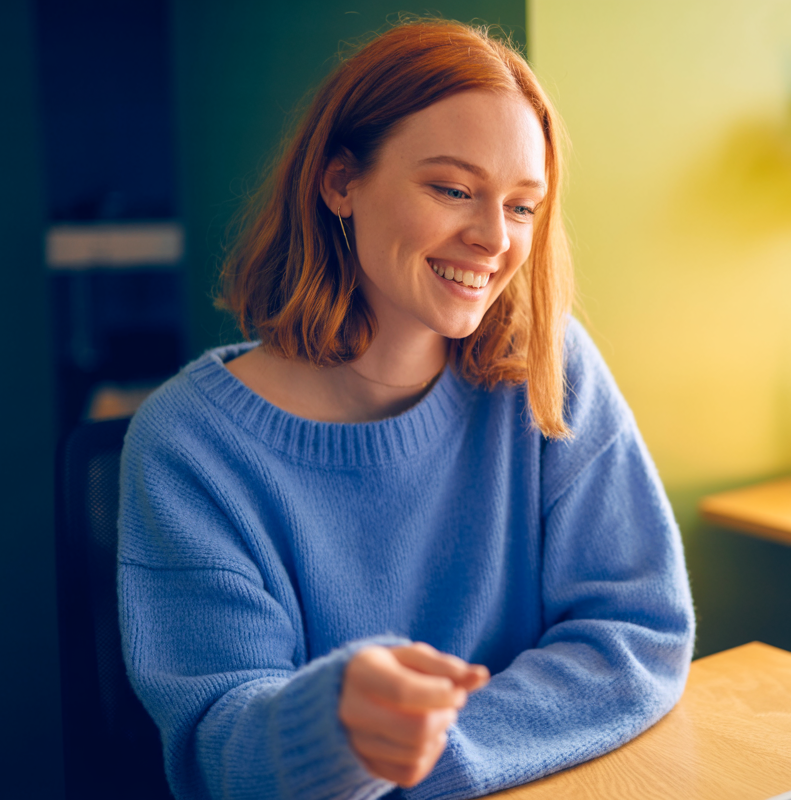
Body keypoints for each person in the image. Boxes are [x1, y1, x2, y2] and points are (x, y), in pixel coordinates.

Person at [117, 18, 695, 800]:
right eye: (453, 190)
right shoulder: (189, 445)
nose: (494, 238)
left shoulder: (547, 369)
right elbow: (222, 752)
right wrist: (338, 733)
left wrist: (429, 755)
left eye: (523, 207)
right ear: (340, 182)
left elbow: (640, 631)